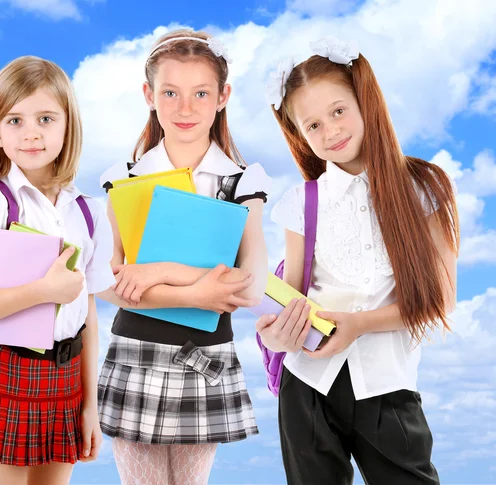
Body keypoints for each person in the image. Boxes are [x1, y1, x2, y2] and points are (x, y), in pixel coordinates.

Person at [256, 37, 459, 485]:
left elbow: (440, 301)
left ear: (364, 100)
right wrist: (275, 330)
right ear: (299, 134)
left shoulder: (425, 189)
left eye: (338, 111)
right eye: (312, 125)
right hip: (306, 383)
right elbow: (289, 296)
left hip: (388, 385)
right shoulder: (299, 202)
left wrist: (359, 324)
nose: (329, 131)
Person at [95, 29, 271, 485]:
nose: (185, 108)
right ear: (149, 95)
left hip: (205, 356)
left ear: (222, 96)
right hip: (136, 352)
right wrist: (201, 292)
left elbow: (251, 286)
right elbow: (112, 284)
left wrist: (159, 271)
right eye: (170, 92)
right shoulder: (125, 178)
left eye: (200, 93)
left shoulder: (241, 181)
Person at [0, 56, 115, 485]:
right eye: (15, 120)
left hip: (67, 380)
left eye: (45, 118)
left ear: (67, 126)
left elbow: (88, 315)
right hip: (7, 370)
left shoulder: (88, 212)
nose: (32, 132)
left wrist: (89, 406)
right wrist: (44, 289)